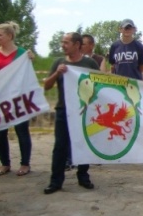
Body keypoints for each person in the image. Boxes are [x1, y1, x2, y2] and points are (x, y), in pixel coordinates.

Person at [42, 32, 100, 194]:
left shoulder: (88, 63)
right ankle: (56, 181)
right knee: (60, 146)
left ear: (77, 44)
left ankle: (83, 177)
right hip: (63, 111)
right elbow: (46, 86)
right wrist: (57, 73)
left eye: (66, 42)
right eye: (62, 42)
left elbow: (101, 83)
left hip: (83, 111)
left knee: (83, 144)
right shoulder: (58, 63)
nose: (63, 45)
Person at [0, 21, 34, 177]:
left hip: (19, 100)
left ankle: (25, 164)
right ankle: (5, 163)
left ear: (9, 36)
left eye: (0, 35)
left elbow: (27, 75)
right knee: (0, 132)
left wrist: (30, 59)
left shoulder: (22, 54)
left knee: (22, 131)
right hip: (1, 100)